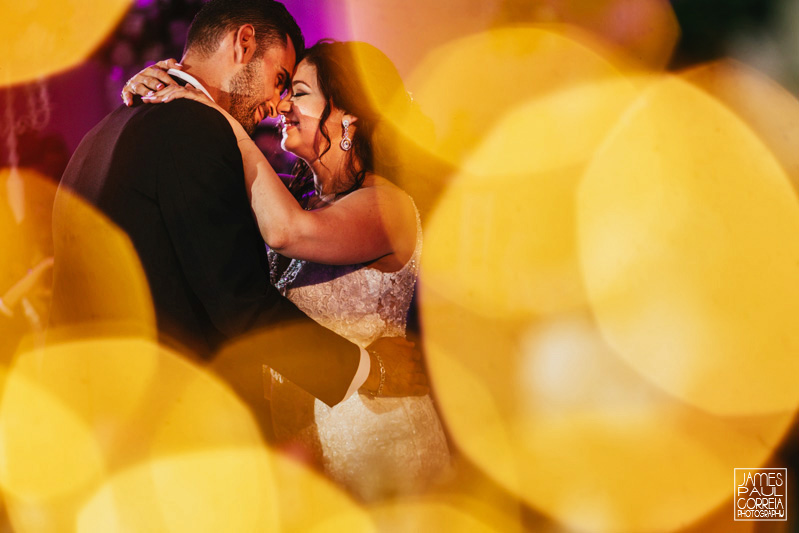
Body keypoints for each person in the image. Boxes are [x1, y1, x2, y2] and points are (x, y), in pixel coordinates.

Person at [52, 0, 426, 412]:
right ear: (243, 43)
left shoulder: (104, 130)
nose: (278, 104)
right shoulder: (193, 130)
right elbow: (240, 302)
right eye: (281, 80)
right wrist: (367, 370)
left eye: (296, 92)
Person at [123, 40, 452, 500]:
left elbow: (287, 231)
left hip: (379, 440)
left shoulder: (389, 205)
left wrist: (220, 122)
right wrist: (163, 88)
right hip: (307, 445)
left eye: (297, 92)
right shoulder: (307, 202)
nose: (282, 106)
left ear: (347, 117)